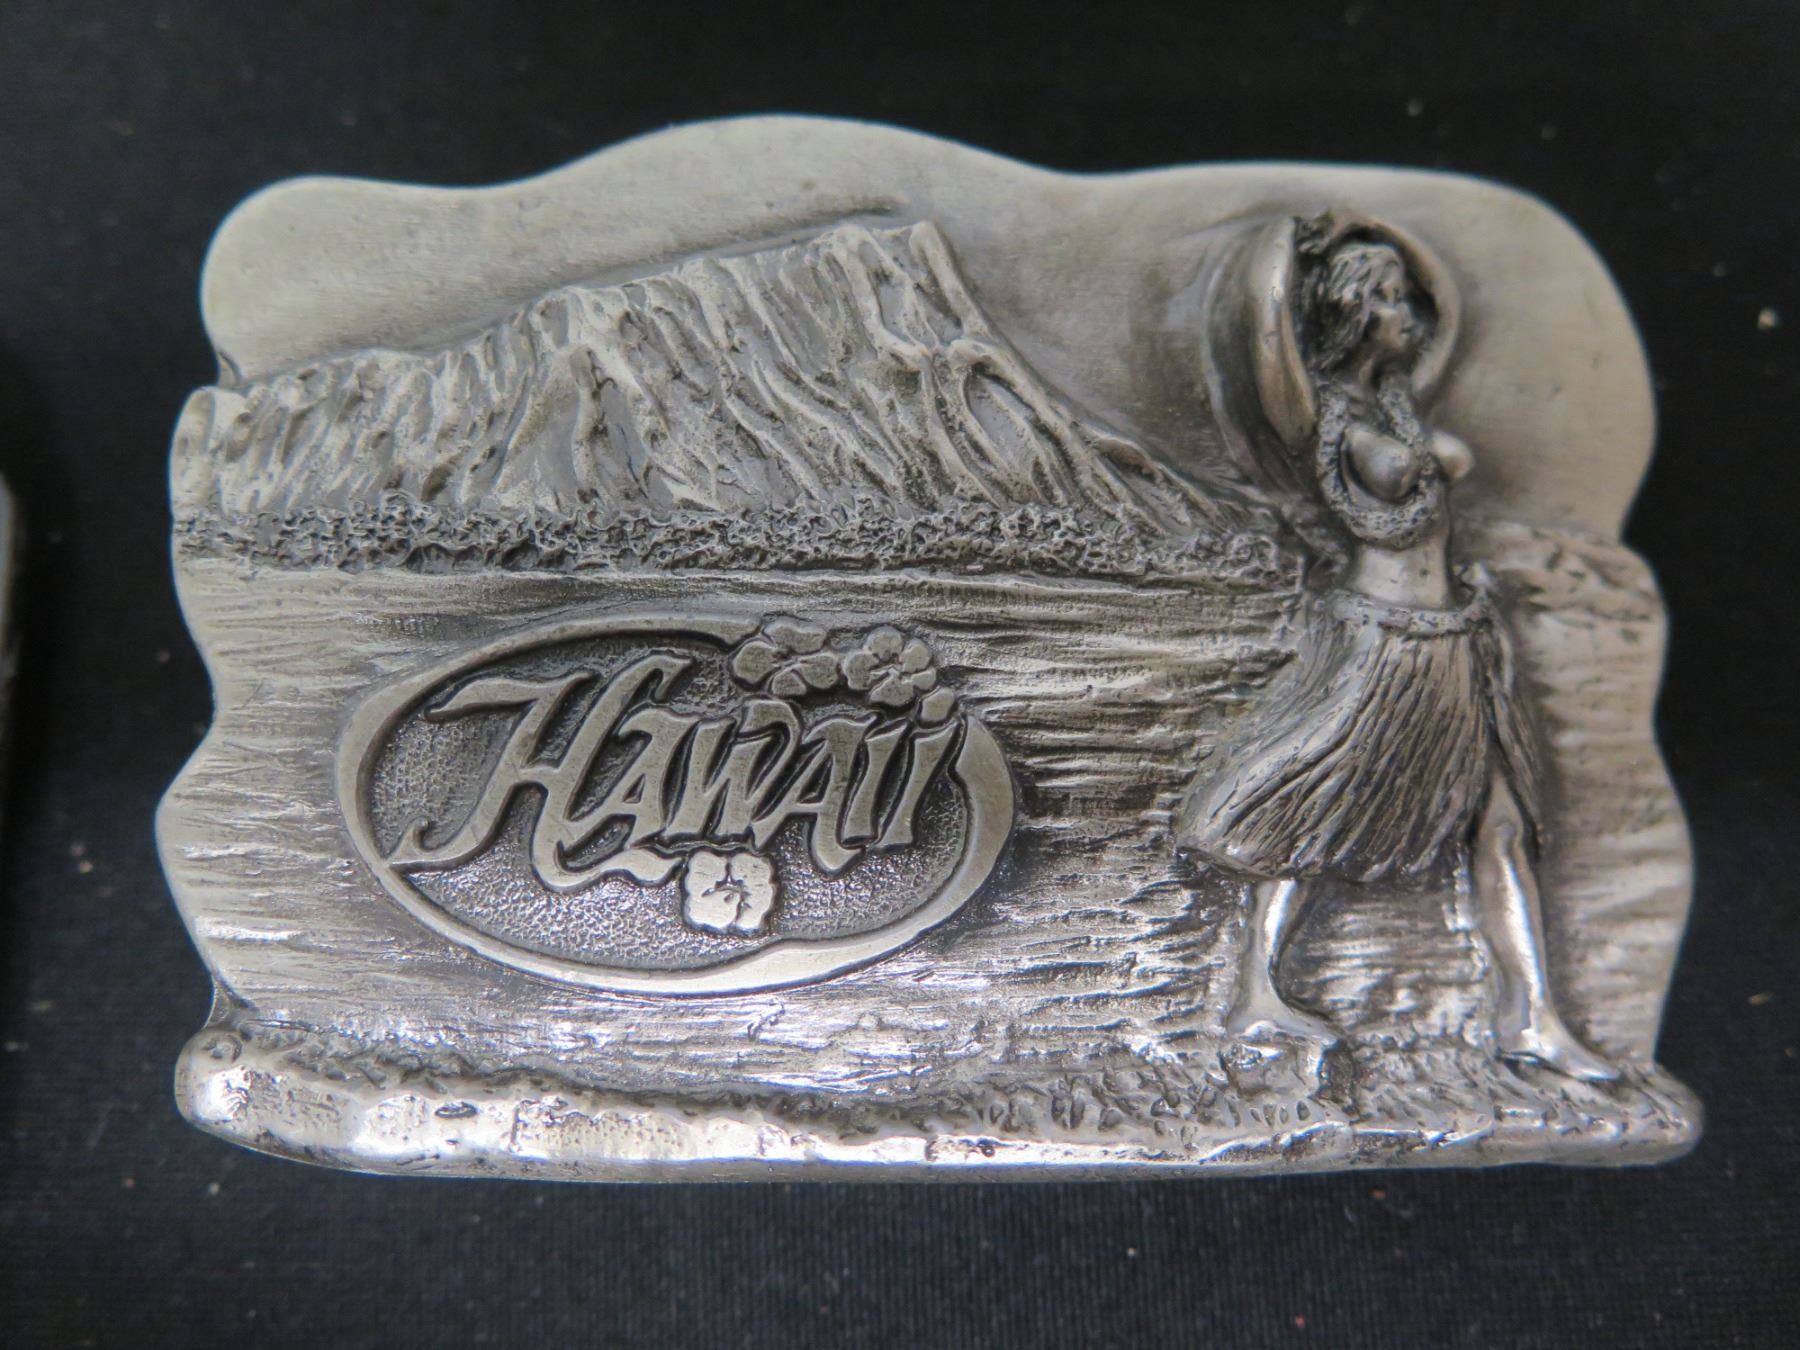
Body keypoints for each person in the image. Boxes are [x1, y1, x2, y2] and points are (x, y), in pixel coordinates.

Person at [1175, 213, 1616, 1081]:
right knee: (1310, 809)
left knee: (1501, 824)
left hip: (1456, 643)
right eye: (1381, 298)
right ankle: (1254, 992)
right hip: (1385, 647)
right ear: (1346, 315)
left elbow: (1431, 370)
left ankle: (1531, 1016)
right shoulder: (1332, 418)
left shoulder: (1396, 405)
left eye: (1403, 295)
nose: (1402, 313)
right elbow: (1379, 453)